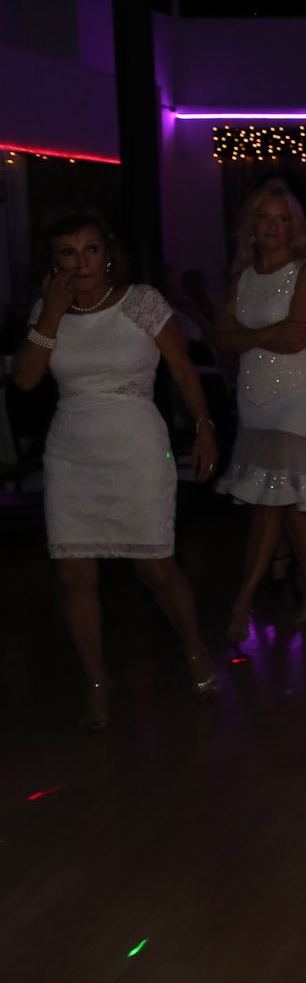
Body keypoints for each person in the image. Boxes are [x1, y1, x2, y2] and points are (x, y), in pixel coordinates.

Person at [14, 214, 221, 731]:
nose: (80, 262)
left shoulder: (141, 301)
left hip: (136, 447)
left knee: (156, 568)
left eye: (90, 249)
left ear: (107, 253)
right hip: (72, 452)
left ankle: (193, 646)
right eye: (67, 252)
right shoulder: (47, 309)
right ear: (53, 261)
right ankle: (97, 681)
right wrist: (52, 313)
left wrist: (204, 427)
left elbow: (181, 368)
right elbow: (26, 380)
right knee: (74, 574)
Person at [213, 181, 306, 639]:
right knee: (284, 497)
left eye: (282, 219)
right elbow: (220, 337)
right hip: (253, 394)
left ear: (294, 227)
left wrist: (246, 337)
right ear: (251, 225)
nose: (273, 227)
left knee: (268, 502)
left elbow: (296, 339)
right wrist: (262, 336)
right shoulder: (242, 278)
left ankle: (241, 604)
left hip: (298, 394)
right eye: (264, 217)